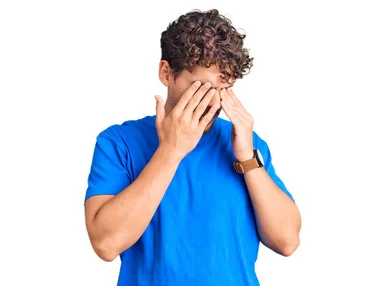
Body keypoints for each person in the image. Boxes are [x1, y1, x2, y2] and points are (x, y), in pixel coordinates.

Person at [83, 9, 301, 285]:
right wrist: (171, 151)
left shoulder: (246, 144)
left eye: (223, 88)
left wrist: (247, 158)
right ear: (166, 73)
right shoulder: (118, 143)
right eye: (201, 87)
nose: (213, 103)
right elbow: (106, 244)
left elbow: (287, 242)